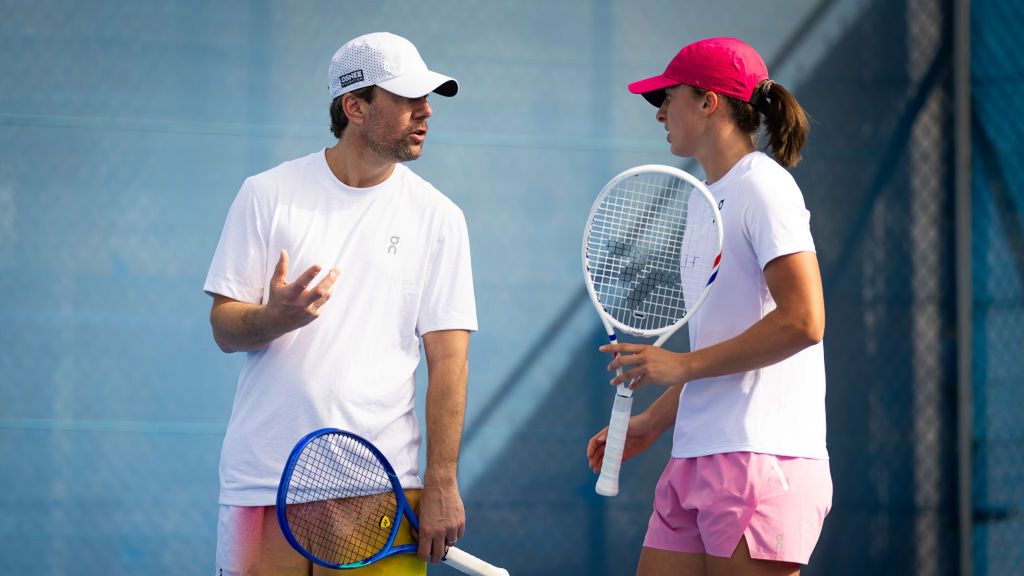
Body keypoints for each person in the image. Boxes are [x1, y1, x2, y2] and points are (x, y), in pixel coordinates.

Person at [204, 32, 477, 576]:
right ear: (355, 106)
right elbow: (224, 329)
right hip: (265, 479)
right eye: (406, 99)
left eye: (427, 100)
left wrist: (442, 480)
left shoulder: (439, 217)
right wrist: (271, 318)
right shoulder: (267, 194)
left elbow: (449, 360)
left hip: (382, 488)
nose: (425, 112)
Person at [587, 38, 831, 576]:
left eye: (667, 97)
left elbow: (804, 320)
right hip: (694, 456)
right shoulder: (706, 201)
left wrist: (680, 365)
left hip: (763, 457)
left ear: (708, 102)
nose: (659, 113)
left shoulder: (765, 189)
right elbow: (722, 348)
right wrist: (653, 422)